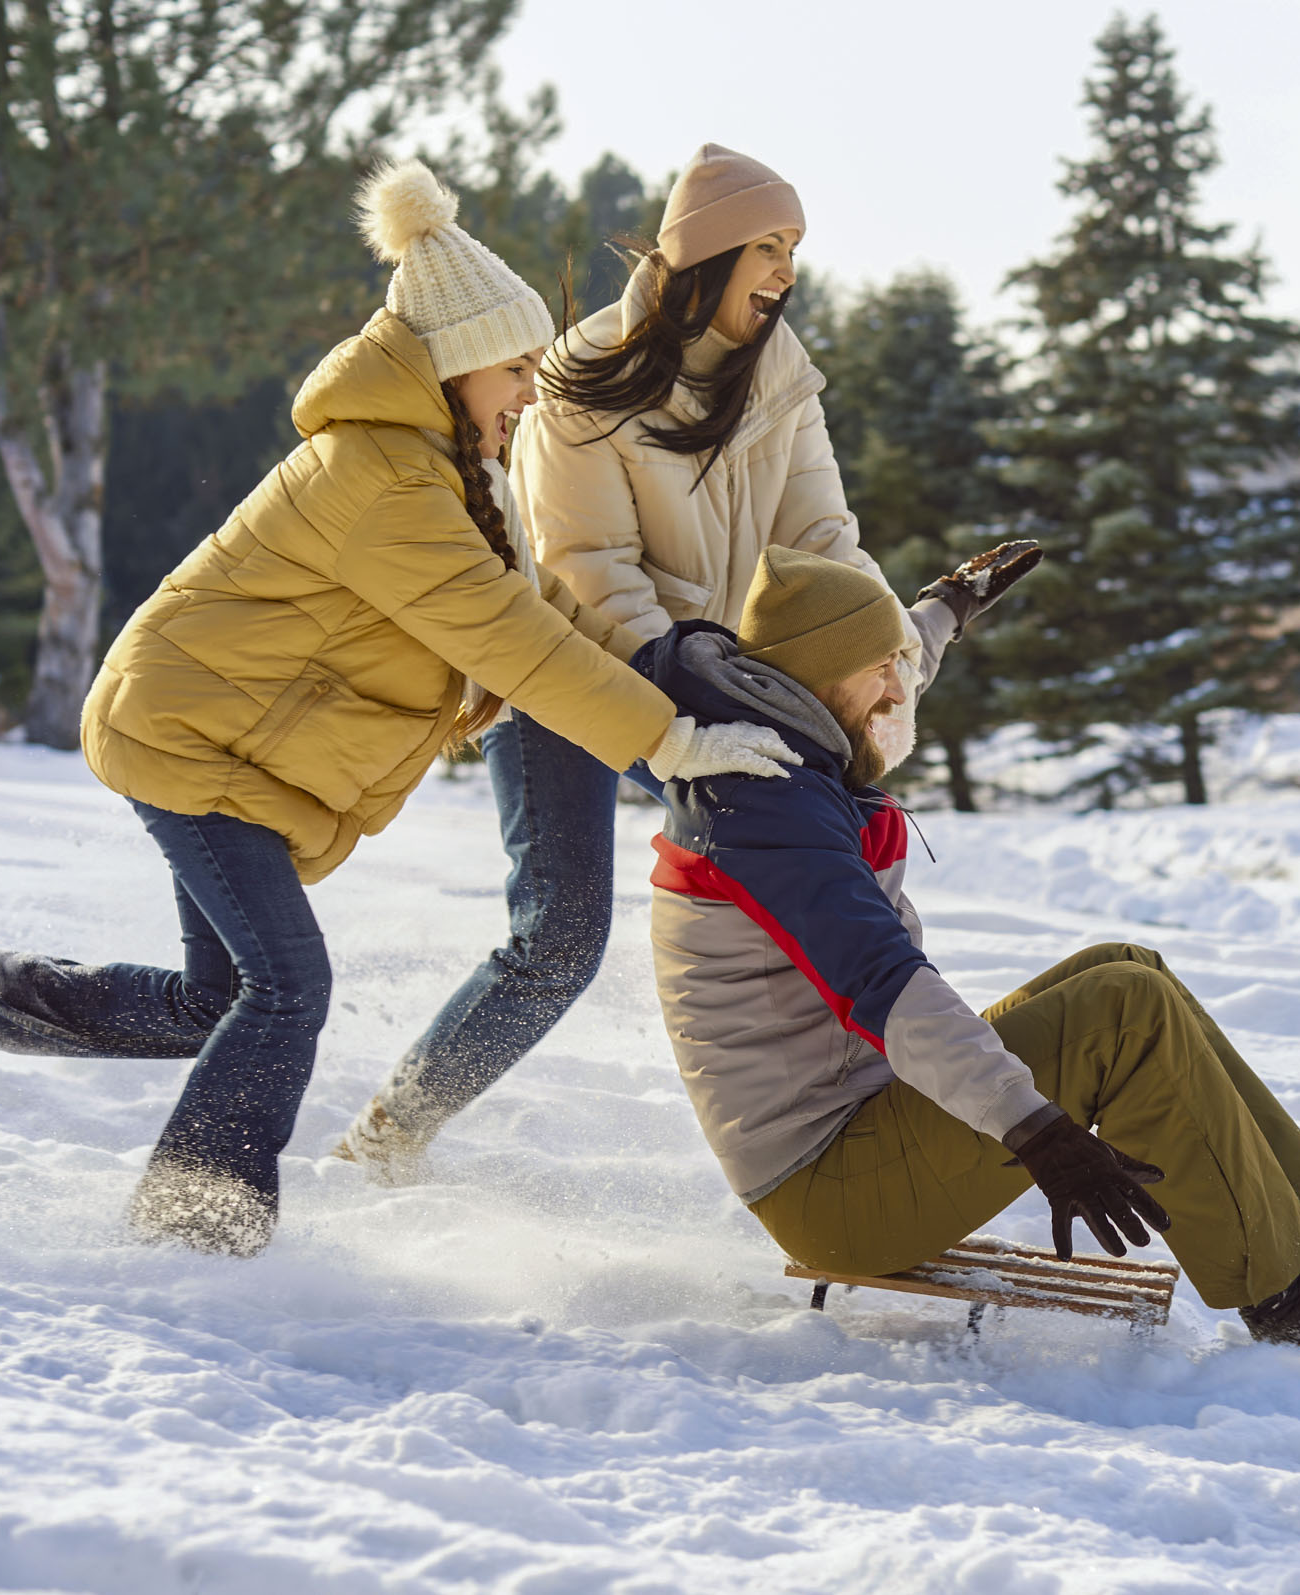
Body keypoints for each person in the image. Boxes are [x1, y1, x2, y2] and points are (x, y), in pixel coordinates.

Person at [0, 162, 793, 1257]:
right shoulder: (384, 481)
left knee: (215, 1001)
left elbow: (527, 614)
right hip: (185, 737)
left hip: (228, 744)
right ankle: (194, 1225)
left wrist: (680, 694)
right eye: (512, 369)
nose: (528, 395)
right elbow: (513, 640)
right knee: (286, 987)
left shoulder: (439, 468)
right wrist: (669, 736)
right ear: (453, 365)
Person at [634, 545, 1300, 1370]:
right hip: (831, 1189)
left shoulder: (770, 738)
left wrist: (947, 608)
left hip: (861, 1125)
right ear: (820, 676)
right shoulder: (767, 815)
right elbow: (885, 989)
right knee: (1120, 1009)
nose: (898, 690)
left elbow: (889, 659)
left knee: (1125, 964)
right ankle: (1295, 1295)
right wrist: (1033, 1127)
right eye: (880, 671)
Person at [336, 144, 921, 1177]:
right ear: (705, 254)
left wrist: (881, 646)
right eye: (769, 248)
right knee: (558, 939)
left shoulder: (779, 372)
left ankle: (896, 1114)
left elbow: (822, 537)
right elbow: (593, 569)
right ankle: (390, 1130)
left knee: (815, 850)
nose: (787, 271)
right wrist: (693, 694)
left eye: (794, 250)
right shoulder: (581, 379)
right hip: (567, 674)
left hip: (706, 672)